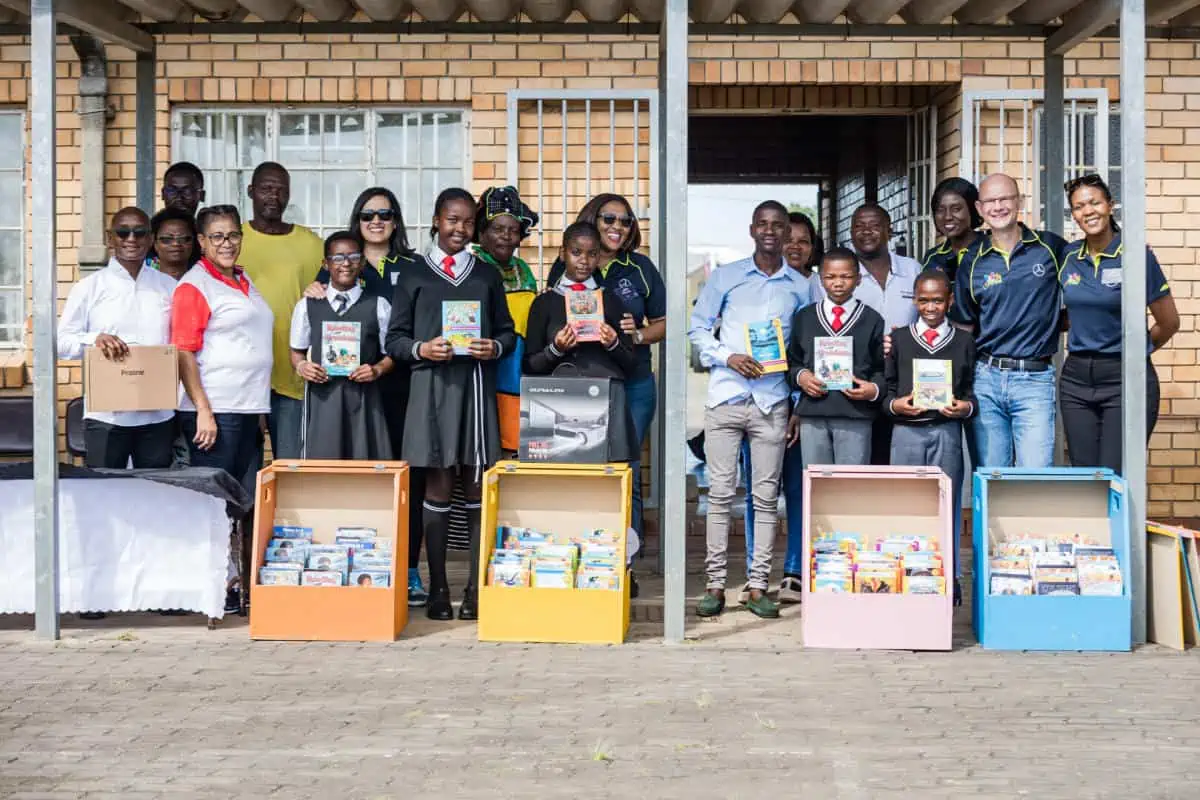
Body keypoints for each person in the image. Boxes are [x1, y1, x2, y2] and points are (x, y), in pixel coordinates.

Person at [385, 188, 516, 622]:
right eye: (451, 220)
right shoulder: (413, 275)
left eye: (466, 222)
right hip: (432, 393)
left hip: (476, 389)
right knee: (438, 487)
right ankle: (438, 588)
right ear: (436, 221)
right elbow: (395, 340)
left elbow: (508, 331)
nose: (458, 229)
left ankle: (475, 589)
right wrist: (422, 349)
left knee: (477, 485)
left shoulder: (486, 274)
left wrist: (493, 347)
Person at [687, 200, 811, 620]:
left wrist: (796, 404)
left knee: (764, 498)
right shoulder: (726, 277)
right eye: (764, 224)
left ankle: (759, 585)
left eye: (779, 225)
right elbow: (698, 328)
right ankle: (715, 585)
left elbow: (803, 348)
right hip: (726, 396)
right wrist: (728, 356)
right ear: (752, 229)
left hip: (773, 401)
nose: (772, 231)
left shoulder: (801, 285)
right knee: (720, 495)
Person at [306, 187, 429, 606]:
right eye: (367, 214)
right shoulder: (336, 271)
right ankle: (349, 563)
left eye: (385, 213)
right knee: (355, 478)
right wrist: (312, 291)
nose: (376, 221)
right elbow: (313, 319)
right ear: (355, 220)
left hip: (405, 386)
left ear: (396, 220)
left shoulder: (414, 265)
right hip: (349, 394)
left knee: (405, 480)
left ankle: (408, 568)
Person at [547, 194, 666, 551]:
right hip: (583, 383)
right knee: (581, 461)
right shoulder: (573, 265)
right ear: (593, 221)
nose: (617, 227)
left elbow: (664, 323)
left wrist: (638, 334)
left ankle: (625, 552)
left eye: (625, 221)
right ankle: (588, 547)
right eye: (609, 219)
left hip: (634, 383)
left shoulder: (640, 268)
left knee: (625, 465)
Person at [1059, 173, 1179, 474]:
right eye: (1078, 206)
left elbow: (1169, 322)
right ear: (1073, 214)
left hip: (1123, 377)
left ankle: (1124, 524)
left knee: (1115, 473)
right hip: (1076, 380)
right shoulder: (1069, 255)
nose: (1088, 211)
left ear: (1110, 206)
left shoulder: (1136, 254)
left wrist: (1135, 350)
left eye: (1094, 202)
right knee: (1084, 476)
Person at [951, 173, 1068, 468]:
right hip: (986, 378)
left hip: (1035, 380)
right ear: (979, 208)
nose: (998, 206)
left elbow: (1085, 284)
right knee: (992, 475)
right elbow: (964, 327)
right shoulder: (972, 260)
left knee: (1035, 473)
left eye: (1005, 199)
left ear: (1019, 202)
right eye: (990, 201)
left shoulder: (1051, 248)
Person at [738, 210, 822, 605]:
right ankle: (757, 573)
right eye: (791, 238)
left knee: (797, 488)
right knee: (759, 492)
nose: (795, 246)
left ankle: (793, 572)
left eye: (804, 241)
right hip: (757, 400)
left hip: (797, 403)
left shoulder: (812, 290)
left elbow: (817, 353)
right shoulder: (749, 285)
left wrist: (802, 407)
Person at [57, 207, 178, 470]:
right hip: (106, 416)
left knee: (154, 494)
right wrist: (94, 339)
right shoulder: (89, 288)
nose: (131, 239)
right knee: (102, 495)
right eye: (123, 232)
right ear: (110, 237)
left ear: (150, 238)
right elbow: (61, 343)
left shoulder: (169, 287)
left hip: (158, 416)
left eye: (139, 232)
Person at [884, 269, 977, 606]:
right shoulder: (900, 339)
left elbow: (971, 393)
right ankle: (907, 572)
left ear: (949, 301)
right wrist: (895, 405)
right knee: (907, 505)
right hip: (906, 432)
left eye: (938, 300)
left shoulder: (965, 341)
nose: (931, 307)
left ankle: (948, 575)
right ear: (915, 300)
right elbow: (888, 389)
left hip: (946, 432)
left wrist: (965, 408)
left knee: (947, 507)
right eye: (923, 300)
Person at [171, 204, 274, 483]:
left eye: (233, 235)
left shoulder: (243, 278)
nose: (227, 244)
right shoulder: (195, 285)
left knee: (239, 497)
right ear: (202, 241)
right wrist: (204, 411)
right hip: (217, 410)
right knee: (215, 499)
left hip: (246, 407)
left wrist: (258, 409)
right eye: (217, 237)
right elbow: (183, 352)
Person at [524, 221, 638, 460]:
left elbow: (631, 363)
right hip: (556, 401)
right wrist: (555, 349)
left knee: (608, 483)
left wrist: (613, 344)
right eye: (576, 252)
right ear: (562, 253)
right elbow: (529, 365)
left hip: (606, 398)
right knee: (562, 483)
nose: (584, 260)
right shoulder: (544, 303)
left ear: (599, 257)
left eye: (592, 254)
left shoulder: (612, 301)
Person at [237, 161, 325, 461]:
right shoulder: (232, 241)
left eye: (280, 190)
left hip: (293, 376)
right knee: (243, 470)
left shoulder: (311, 244)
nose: (273, 196)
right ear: (250, 191)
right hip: (242, 380)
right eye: (266, 188)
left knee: (291, 467)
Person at [290, 232, 395, 461]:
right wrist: (302, 367)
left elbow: (392, 354)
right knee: (323, 468)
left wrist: (377, 370)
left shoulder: (378, 305)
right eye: (337, 258)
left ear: (363, 262)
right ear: (325, 264)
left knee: (366, 465)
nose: (346, 264)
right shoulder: (307, 306)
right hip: (323, 400)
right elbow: (296, 353)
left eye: (353, 257)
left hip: (365, 401)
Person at [788, 247, 886, 467]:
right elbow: (792, 362)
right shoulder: (805, 318)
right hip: (813, 414)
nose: (838, 283)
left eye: (846, 276)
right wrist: (801, 377)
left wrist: (873, 390)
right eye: (830, 277)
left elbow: (882, 368)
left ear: (859, 279)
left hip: (856, 414)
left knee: (851, 485)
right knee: (817, 484)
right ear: (820, 279)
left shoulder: (872, 319)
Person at [473, 186, 540, 453]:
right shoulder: (473, 266)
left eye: (513, 230)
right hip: (485, 365)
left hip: (518, 367)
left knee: (515, 444)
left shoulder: (523, 269)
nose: (507, 236)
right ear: (482, 232)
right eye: (498, 229)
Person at [922, 178, 984, 285]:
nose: (948, 216)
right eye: (940, 210)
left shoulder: (989, 250)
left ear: (972, 209)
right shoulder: (932, 258)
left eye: (956, 209)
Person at [149, 208, 198, 281]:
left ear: (194, 242)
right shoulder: (144, 283)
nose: (176, 244)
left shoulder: (204, 284)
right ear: (155, 243)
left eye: (183, 238)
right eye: (167, 239)